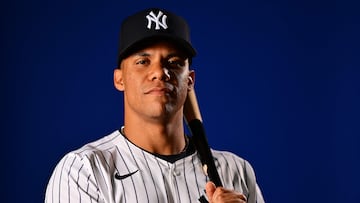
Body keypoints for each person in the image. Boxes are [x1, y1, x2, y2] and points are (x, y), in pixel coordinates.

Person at [45, 8, 265, 203]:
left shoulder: (236, 171)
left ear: (190, 80)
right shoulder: (85, 170)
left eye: (174, 63)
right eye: (143, 62)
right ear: (119, 79)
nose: (160, 72)